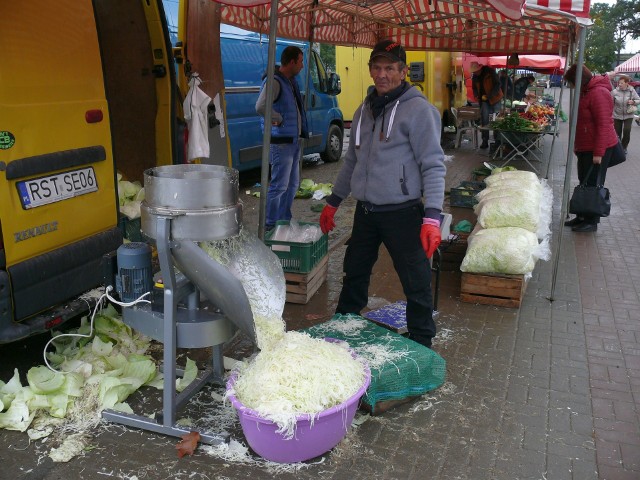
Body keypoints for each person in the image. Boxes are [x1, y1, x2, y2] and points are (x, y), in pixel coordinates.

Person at [318, 39, 446, 349]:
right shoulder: (364, 110)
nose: (382, 74)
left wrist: (432, 217)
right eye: (377, 67)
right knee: (355, 273)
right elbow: (352, 160)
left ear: (403, 72)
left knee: (416, 282)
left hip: (403, 213)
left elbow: (433, 165)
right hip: (366, 211)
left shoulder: (419, 111)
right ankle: (342, 329)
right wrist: (334, 201)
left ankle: (422, 343)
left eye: (390, 68)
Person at [255, 46, 309, 231]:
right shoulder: (276, 81)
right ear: (292, 62)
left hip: (292, 142)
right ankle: (270, 225)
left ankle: (284, 219)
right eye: (301, 61)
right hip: (281, 144)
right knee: (279, 186)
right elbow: (260, 106)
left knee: (292, 184)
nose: (302, 66)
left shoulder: (289, 81)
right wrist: (278, 118)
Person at [563, 64, 619, 233]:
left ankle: (591, 221)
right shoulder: (587, 90)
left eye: (572, 83)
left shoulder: (598, 93)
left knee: (593, 183)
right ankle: (581, 215)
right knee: (584, 181)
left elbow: (604, 125)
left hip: (597, 147)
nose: (571, 87)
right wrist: (577, 146)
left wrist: (598, 153)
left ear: (579, 80)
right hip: (586, 146)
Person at [471, 62, 503, 149]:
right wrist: (476, 95)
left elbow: (498, 84)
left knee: (496, 120)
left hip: (495, 98)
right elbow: (474, 88)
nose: (475, 73)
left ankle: (498, 141)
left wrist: (490, 96)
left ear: (480, 69)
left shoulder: (491, 72)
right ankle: (485, 141)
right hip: (484, 100)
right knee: (484, 120)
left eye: (476, 71)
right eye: (474, 72)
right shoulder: (475, 77)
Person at [611, 74, 640, 154]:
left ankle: (624, 147)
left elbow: (638, 99)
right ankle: (618, 148)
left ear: (627, 83)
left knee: (627, 131)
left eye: (621, 83)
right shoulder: (614, 92)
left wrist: (633, 101)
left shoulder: (632, 91)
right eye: (619, 83)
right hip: (617, 114)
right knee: (617, 132)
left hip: (629, 114)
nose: (619, 84)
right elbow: (610, 103)